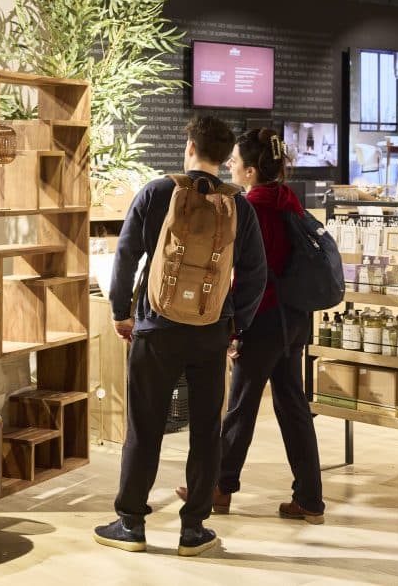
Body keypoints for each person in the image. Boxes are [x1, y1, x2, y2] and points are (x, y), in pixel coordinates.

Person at [95, 116, 268, 557]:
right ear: (226, 157)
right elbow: (254, 274)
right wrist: (236, 324)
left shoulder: (157, 192)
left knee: (145, 427)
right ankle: (193, 529)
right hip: (211, 331)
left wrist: (120, 311)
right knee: (207, 431)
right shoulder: (239, 206)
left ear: (190, 146)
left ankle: (131, 523)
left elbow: (127, 255)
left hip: (155, 328)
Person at [176, 128, 326, 523]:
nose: (230, 165)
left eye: (236, 161)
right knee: (293, 408)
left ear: (252, 170)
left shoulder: (251, 207)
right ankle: (310, 499)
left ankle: (218, 488)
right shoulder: (290, 201)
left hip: (262, 319)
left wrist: (235, 326)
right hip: (294, 320)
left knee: (240, 407)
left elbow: (245, 273)